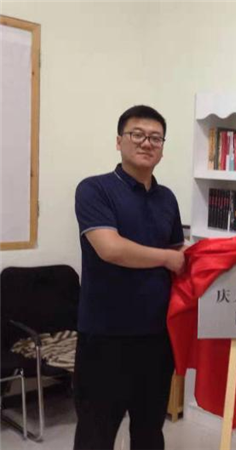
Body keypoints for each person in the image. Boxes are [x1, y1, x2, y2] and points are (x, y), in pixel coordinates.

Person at [73, 105, 185, 450]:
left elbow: (180, 253)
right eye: (137, 134)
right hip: (105, 338)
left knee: (150, 433)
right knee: (95, 435)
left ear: (163, 148)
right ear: (119, 141)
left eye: (156, 138)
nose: (147, 143)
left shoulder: (167, 198)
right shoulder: (94, 189)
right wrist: (167, 258)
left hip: (157, 338)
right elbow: (111, 249)